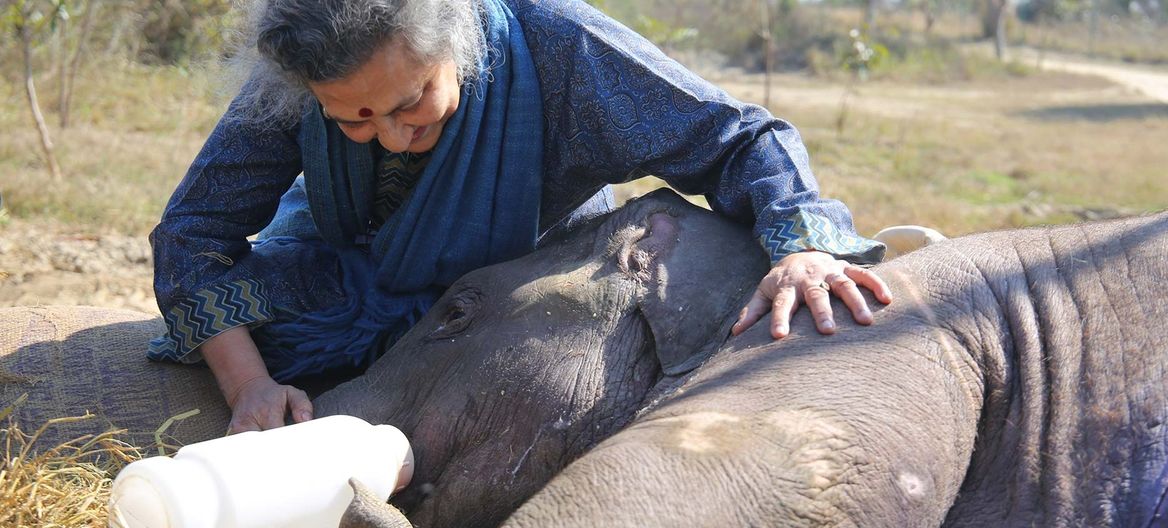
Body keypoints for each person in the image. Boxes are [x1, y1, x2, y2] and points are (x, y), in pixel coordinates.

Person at [148, 0, 893, 434]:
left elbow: (739, 139)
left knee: (560, 397)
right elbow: (193, 233)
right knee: (250, 328)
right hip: (352, 272)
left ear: (458, 44)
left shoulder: (561, 50)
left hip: (522, 278)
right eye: (353, 119)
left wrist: (799, 243)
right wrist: (248, 383)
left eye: (412, 102)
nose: (392, 136)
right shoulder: (299, 76)